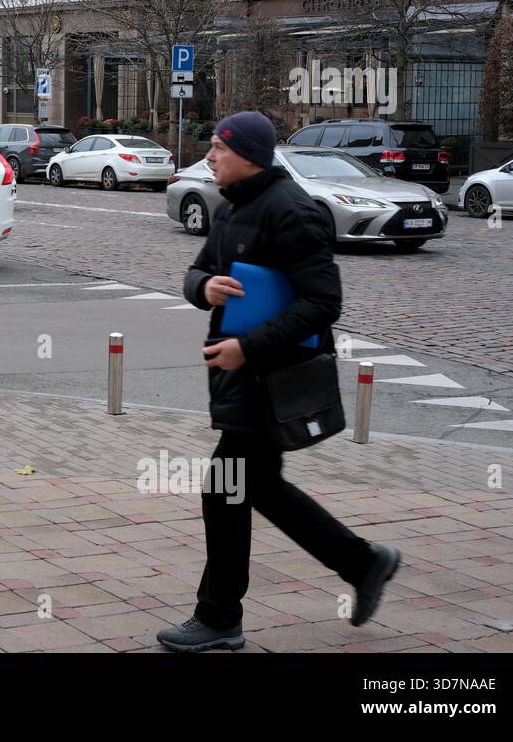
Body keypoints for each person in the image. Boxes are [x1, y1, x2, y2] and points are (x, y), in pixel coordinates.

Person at [156, 111, 401, 653]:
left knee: (226, 489)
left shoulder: (293, 211)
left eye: (218, 147)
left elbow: (323, 303)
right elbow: (197, 272)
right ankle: (362, 563)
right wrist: (205, 288)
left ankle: (220, 618)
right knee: (254, 487)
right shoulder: (233, 206)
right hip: (241, 380)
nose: (210, 157)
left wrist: (248, 347)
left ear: (246, 154)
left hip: (274, 380)